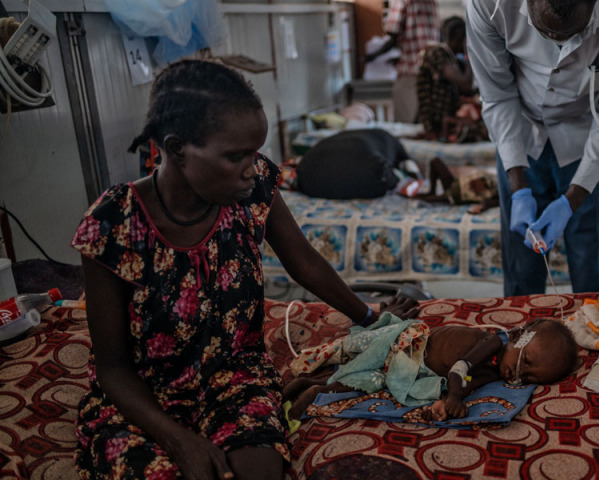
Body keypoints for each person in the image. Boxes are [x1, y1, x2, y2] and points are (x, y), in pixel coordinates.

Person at [71, 60, 420, 480]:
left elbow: (303, 261)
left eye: (255, 153)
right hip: (143, 397)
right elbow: (112, 368)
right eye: (236, 156)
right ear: (178, 148)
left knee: (259, 471)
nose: (252, 168)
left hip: (233, 377)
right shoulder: (113, 224)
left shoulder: (252, 191)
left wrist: (370, 317)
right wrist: (180, 441)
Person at [466, 0, 599, 296]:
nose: (560, 46)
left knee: (592, 274)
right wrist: (518, 188)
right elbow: (497, 95)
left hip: (592, 133)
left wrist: (574, 197)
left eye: (572, 35)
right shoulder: (488, 4)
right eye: (546, 32)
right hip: (523, 134)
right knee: (521, 272)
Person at [282, 318, 579, 421]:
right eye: (523, 363)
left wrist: (444, 406)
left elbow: (465, 384)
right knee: (348, 359)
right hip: (406, 344)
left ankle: (310, 390)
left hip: (408, 367)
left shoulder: (490, 373)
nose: (516, 375)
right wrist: (454, 397)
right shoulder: (489, 342)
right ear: (516, 336)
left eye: (527, 378)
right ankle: (297, 396)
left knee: (356, 382)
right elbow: (458, 371)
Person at [365, 0, 439, 123]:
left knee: (406, 122)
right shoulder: (431, 2)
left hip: (410, 71)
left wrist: (373, 56)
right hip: (431, 68)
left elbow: (393, 34)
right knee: (425, 122)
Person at [416, 16, 477, 140]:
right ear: (460, 38)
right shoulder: (437, 53)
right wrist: (468, 53)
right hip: (436, 125)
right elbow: (465, 84)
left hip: (444, 122)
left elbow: (467, 90)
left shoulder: (451, 58)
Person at [416, 157, 499, 214]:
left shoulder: (500, 193)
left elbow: (491, 202)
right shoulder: (498, 178)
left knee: (424, 199)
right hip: (453, 183)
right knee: (435, 161)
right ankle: (431, 191)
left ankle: (423, 196)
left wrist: (481, 207)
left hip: (454, 196)